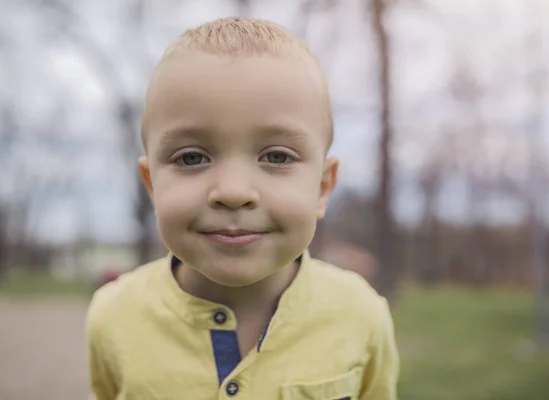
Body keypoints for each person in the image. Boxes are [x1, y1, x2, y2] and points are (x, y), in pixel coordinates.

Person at [86, 16, 399, 400]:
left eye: (277, 157)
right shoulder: (113, 318)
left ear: (321, 187)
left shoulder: (362, 316)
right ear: (152, 185)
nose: (233, 193)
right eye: (190, 158)